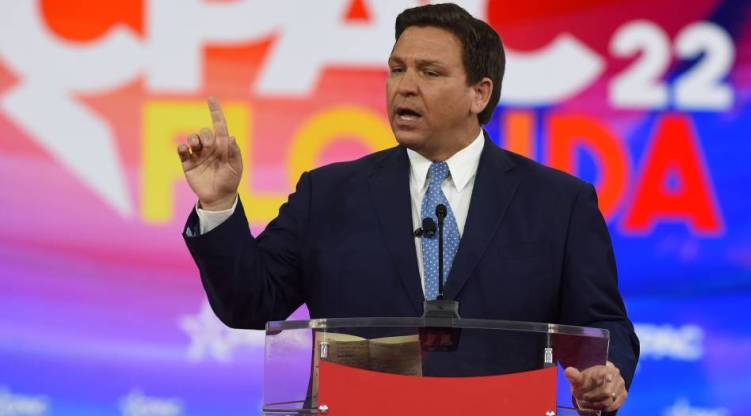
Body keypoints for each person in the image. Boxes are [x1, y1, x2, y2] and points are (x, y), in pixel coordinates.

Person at [178, 3, 638, 413]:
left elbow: (602, 322)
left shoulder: (558, 202)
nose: (405, 87)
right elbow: (248, 302)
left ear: (479, 93)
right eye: (397, 69)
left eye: (429, 72)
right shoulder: (330, 193)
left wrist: (606, 372)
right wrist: (218, 204)